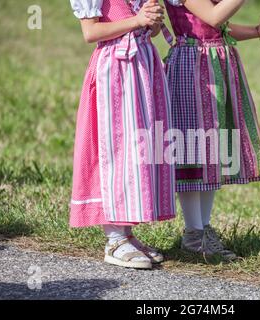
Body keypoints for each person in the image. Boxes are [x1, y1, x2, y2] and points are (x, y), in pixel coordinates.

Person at [164, 0, 260, 260]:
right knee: (194, 148)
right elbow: (213, 16)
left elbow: (221, 28)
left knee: (212, 151)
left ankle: (203, 229)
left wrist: (259, 30)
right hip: (194, 65)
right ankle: (194, 233)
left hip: (215, 62)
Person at [69, 0, 175, 269]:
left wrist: (151, 22)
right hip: (114, 69)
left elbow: (145, 29)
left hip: (141, 65)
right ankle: (113, 239)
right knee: (117, 150)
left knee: (137, 150)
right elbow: (91, 32)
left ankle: (126, 233)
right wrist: (137, 21)